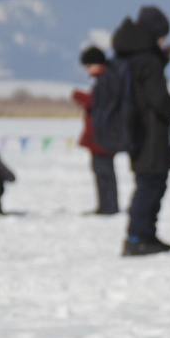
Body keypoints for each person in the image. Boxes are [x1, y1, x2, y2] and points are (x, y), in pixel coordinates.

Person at [112, 7, 170, 256]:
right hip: (151, 132)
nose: (164, 40)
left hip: (135, 130)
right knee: (150, 184)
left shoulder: (129, 55)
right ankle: (137, 237)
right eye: (162, 35)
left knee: (149, 182)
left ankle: (146, 235)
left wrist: (161, 58)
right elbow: (157, 97)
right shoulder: (148, 61)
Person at [72, 47, 119, 215]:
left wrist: (79, 96)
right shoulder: (108, 78)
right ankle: (106, 205)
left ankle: (108, 206)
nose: (87, 70)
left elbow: (98, 103)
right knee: (102, 171)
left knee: (103, 171)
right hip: (102, 133)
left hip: (102, 134)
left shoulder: (106, 80)